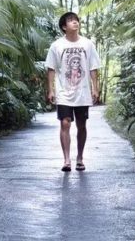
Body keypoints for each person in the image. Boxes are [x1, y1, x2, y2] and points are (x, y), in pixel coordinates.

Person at [45, 11, 101, 172]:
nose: (75, 22)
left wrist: (95, 88)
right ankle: (66, 160)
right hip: (64, 92)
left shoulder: (88, 44)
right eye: (71, 21)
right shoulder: (56, 45)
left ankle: (80, 158)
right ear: (64, 27)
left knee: (82, 125)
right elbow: (51, 68)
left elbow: (93, 68)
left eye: (76, 20)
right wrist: (51, 90)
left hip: (82, 92)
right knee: (65, 123)